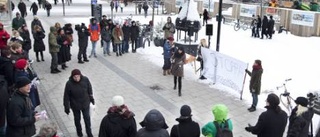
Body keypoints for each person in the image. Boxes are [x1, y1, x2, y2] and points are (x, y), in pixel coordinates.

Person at [63, 69, 94, 137]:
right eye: (75, 77)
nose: (76, 78)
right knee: (77, 119)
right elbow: (66, 96)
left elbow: (89, 89)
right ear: (72, 77)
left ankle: (89, 132)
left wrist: (91, 98)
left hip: (85, 103)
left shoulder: (85, 79)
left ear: (80, 75)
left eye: (78, 76)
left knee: (87, 119)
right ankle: (79, 132)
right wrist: (66, 107)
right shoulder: (69, 83)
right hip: (75, 105)